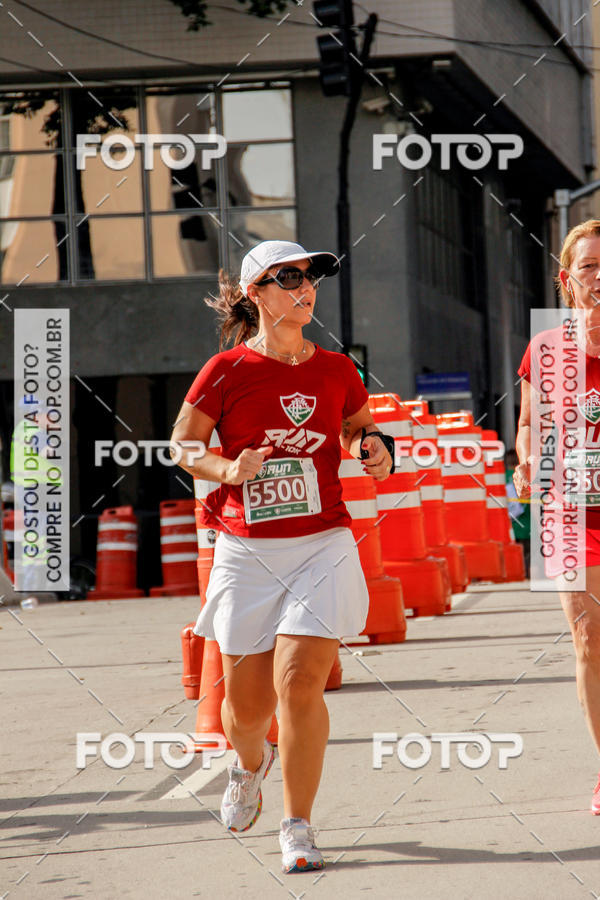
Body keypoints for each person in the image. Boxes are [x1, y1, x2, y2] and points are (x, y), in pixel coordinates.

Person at [171, 240, 394, 873]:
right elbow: (183, 445)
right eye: (287, 276)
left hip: (322, 542)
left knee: (299, 685)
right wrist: (226, 467)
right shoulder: (226, 371)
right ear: (256, 294)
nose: (305, 285)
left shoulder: (336, 369)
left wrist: (371, 445)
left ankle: (298, 826)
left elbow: (358, 425)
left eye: (311, 275)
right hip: (247, 550)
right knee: (247, 712)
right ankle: (250, 763)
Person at [513, 219, 600, 815]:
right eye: (588, 267)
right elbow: (528, 426)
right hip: (570, 512)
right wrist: (527, 463)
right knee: (590, 644)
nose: (599, 277)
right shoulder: (548, 348)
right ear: (566, 280)